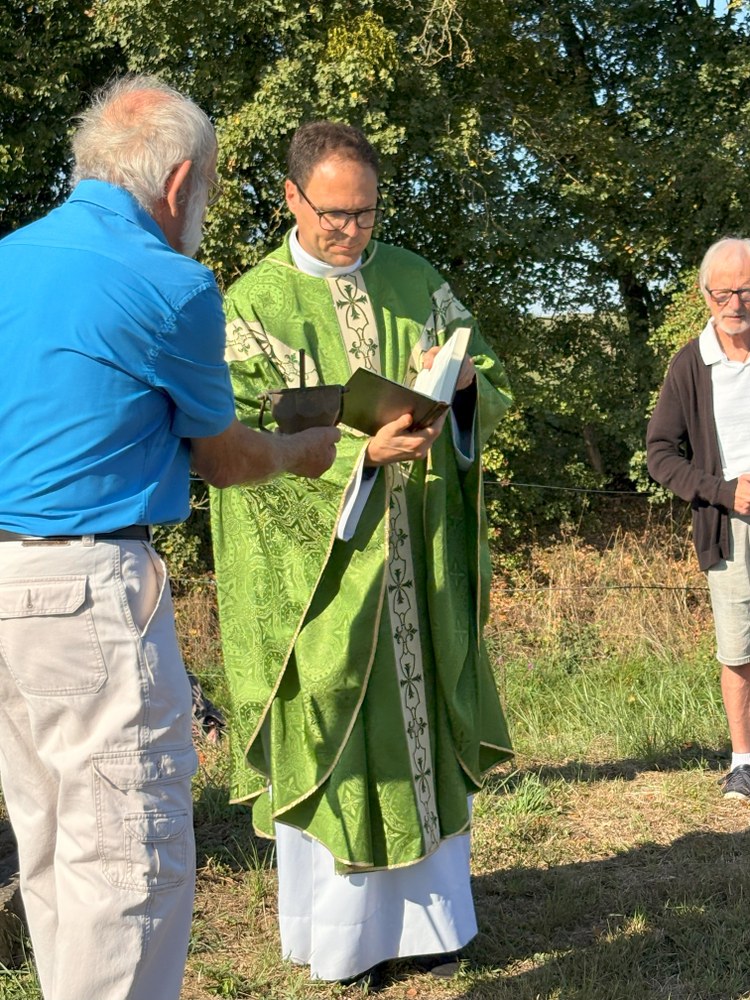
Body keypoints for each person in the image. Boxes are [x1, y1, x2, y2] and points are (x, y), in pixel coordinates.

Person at [0, 76, 339, 1000]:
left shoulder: (10, 259)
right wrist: (301, 450)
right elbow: (223, 458)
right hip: (88, 589)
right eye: (212, 191)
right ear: (181, 182)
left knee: (50, 846)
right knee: (128, 865)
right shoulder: (170, 283)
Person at [210, 120, 513, 985]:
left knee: (422, 724)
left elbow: (489, 380)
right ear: (291, 198)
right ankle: (342, 940)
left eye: (367, 213)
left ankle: (436, 925)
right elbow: (235, 442)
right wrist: (360, 456)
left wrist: (463, 384)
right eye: (334, 214)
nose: (352, 231)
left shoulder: (416, 280)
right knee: (333, 728)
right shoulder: (249, 308)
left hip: (420, 557)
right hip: (322, 579)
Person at [647, 236, 750, 801]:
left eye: (747, 291)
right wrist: (723, 492)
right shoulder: (691, 363)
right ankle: (743, 762)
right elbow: (660, 453)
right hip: (728, 527)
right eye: (724, 292)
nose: (736, 303)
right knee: (738, 648)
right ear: (705, 294)